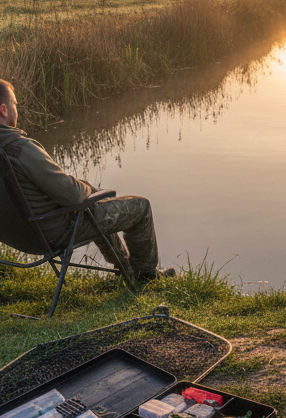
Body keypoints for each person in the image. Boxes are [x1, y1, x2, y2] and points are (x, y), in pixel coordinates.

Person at [0, 79, 173, 282]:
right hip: (49, 234)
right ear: (3, 110)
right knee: (140, 206)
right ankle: (146, 277)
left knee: (93, 205)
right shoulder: (20, 149)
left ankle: (125, 270)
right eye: (15, 105)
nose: (16, 110)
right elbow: (72, 195)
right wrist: (88, 188)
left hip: (14, 236)